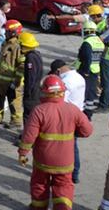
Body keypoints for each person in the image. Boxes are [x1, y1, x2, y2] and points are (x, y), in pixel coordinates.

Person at [18, 75, 93, 210]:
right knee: (63, 187)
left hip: (43, 160)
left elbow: (29, 135)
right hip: (65, 161)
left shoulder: (39, 110)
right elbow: (87, 131)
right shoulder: (73, 109)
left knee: (40, 184)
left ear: (45, 91)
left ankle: (38, 207)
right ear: (62, 92)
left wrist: (23, 153)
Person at [50, 60, 86, 183]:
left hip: (66, 117)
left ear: (58, 71)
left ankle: (62, 171)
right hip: (79, 114)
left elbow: (59, 102)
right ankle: (75, 173)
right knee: (73, 145)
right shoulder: (79, 77)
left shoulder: (65, 82)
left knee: (62, 146)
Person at [0, 20, 24, 128]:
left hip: (12, 81)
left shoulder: (17, 47)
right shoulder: (5, 43)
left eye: (8, 31)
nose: (5, 33)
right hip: (1, 79)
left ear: (14, 32)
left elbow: (22, 65)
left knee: (13, 101)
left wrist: (16, 80)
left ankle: (16, 120)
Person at [74, 20, 105, 118]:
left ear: (87, 31)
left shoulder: (87, 43)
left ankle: (85, 114)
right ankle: (89, 112)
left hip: (86, 71)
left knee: (85, 92)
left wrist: (85, 71)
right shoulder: (99, 42)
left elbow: (87, 58)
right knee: (92, 91)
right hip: (96, 69)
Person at [20, 32, 44, 124]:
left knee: (28, 114)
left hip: (32, 93)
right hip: (37, 90)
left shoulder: (30, 58)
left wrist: (27, 92)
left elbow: (31, 77)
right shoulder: (37, 54)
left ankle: (27, 136)